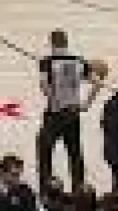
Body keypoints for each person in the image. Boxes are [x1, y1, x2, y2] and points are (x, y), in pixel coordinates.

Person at [35, 29, 105, 190]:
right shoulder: (79, 61)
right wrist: (86, 104)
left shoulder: (47, 61)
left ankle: (45, 188)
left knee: (45, 150)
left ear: (51, 43)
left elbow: (44, 87)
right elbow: (98, 83)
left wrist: (54, 100)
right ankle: (78, 188)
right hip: (73, 111)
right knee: (74, 151)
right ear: (66, 42)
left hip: (55, 112)